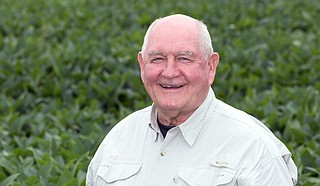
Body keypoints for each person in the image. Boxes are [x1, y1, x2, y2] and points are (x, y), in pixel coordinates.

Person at [86, 14, 298, 186]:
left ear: (210, 66)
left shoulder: (254, 148)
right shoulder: (118, 137)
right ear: (142, 65)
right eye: (157, 59)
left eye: (184, 58)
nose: (169, 72)